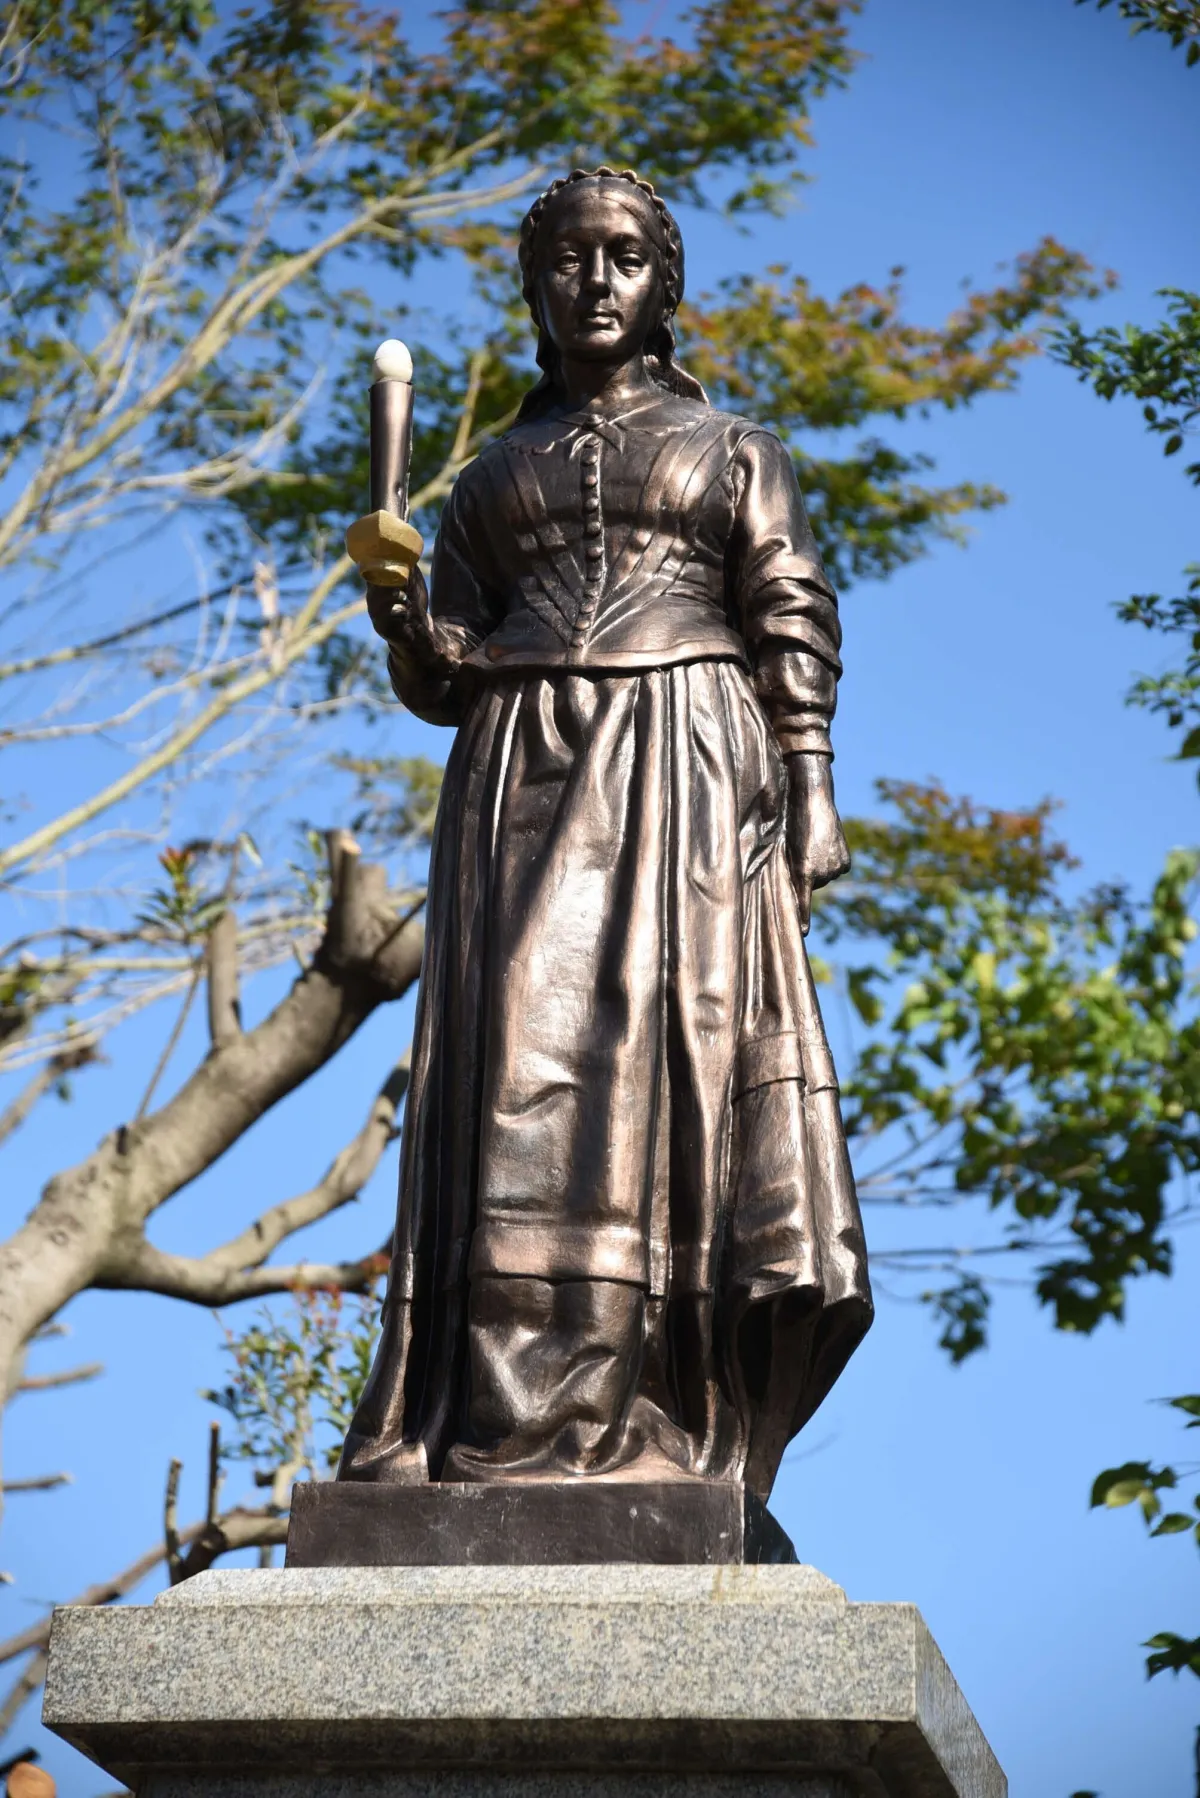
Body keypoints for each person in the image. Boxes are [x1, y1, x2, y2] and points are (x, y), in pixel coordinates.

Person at [339, 167, 872, 1500]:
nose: (593, 280)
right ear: (536, 288)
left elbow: (790, 612)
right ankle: (496, 1409)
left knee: (664, 1059)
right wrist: (404, 622)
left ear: (662, 288)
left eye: (624, 257)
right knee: (516, 1057)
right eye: (567, 259)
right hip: (516, 770)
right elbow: (448, 669)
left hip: (683, 761)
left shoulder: (736, 450)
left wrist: (811, 783)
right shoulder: (490, 478)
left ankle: (657, 1394)